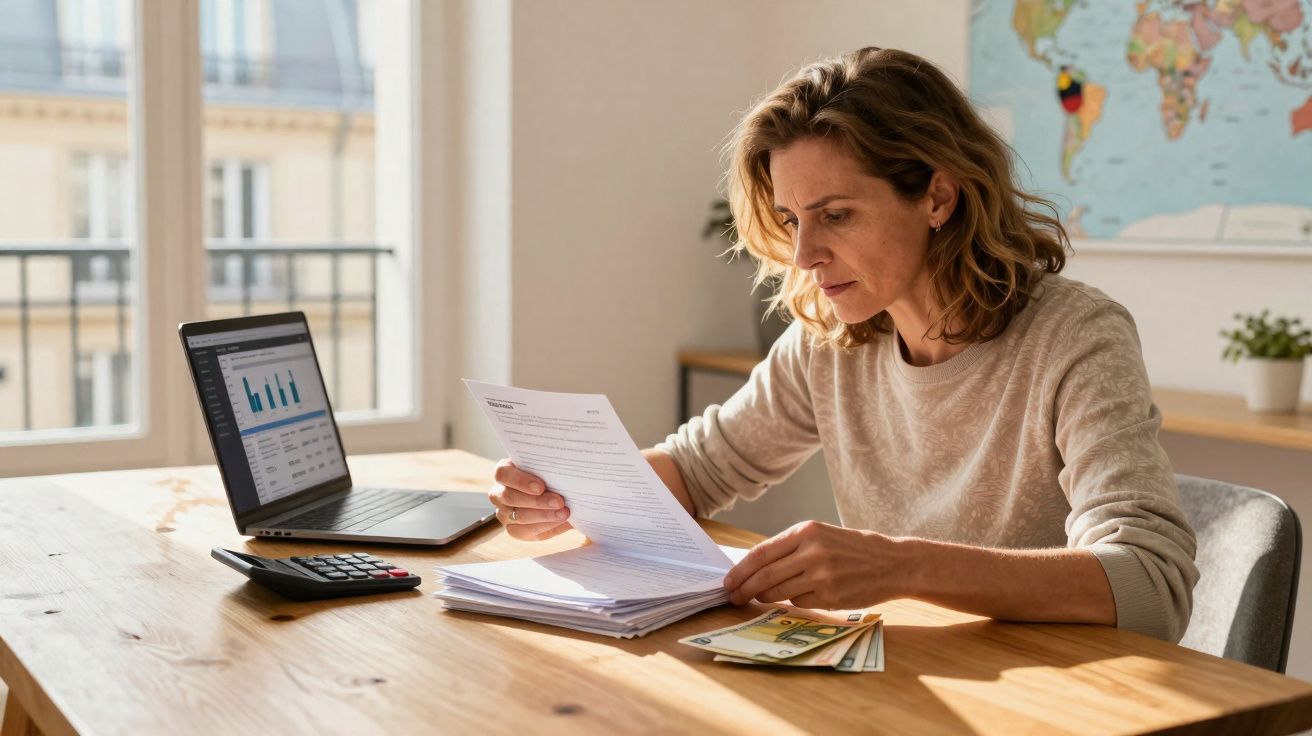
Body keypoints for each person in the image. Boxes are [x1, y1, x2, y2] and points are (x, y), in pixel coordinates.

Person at [486, 47, 1198, 642]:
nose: (804, 254)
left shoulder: (1074, 337)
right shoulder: (834, 343)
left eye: (836, 215)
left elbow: (1150, 584)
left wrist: (901, 566)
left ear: (939, 198)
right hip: (904, 686)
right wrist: (565, 495)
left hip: (1053, 702)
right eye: (793, 218)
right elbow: (699, 470)